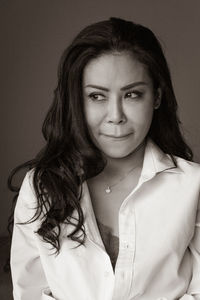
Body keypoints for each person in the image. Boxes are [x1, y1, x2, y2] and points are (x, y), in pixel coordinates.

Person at [9, 17, 200, 300]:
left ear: (157, 97)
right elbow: (31, 292)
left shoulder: (193, 186)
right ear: (77, 100)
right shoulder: (41, 187)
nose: (115, 116)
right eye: (97, 96)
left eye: (132, 94)